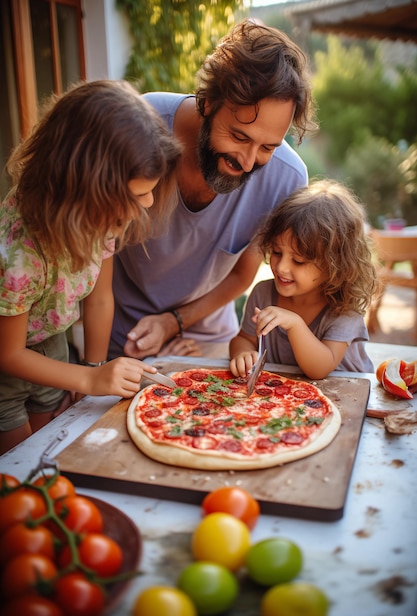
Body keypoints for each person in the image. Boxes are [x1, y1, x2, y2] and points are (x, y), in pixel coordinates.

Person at [109, 18, 318, 362]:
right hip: (123, 336)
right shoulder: (141, 126)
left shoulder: (288, 178)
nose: (250, 162)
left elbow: (242, 274)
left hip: (208, 340)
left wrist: (173, 323)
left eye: (268, 147)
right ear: (207, 102)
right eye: (239, 137)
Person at [0, 79, 182, 454]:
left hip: (52, 347)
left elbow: (99, 300)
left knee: (51, 451)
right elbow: (9, 353)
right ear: (87, 187)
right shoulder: (18, 257)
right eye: (137, 194)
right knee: (22, 468)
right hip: (6, 366)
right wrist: (89, 379)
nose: (147, 204)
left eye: (151, 189)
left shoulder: (98, 218)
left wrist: (94, 366)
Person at [229, 179, 380, 380]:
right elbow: (244, 339)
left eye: (298, 261)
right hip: (286, 401)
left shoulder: (344, 309)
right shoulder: (263, 294)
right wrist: (243, 353)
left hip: (346, 396)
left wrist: (295, 324)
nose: (281, 267)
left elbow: (319, 369)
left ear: (333, 266)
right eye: (276, 251)